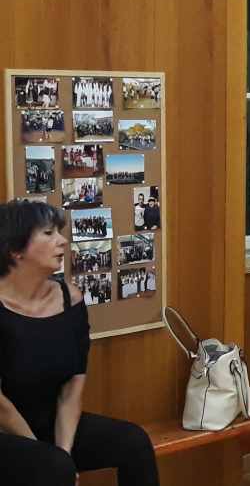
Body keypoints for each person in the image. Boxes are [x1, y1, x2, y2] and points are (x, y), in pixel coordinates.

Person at [0, 200, 159, 485]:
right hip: (6, 430)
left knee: (134, 442)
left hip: (54, 424)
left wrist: (64, 451)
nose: (62, 241)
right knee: (54, 468)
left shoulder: (70, 299)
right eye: (48, 233)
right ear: (15, 249)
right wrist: (49, 457)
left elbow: (72, 388)